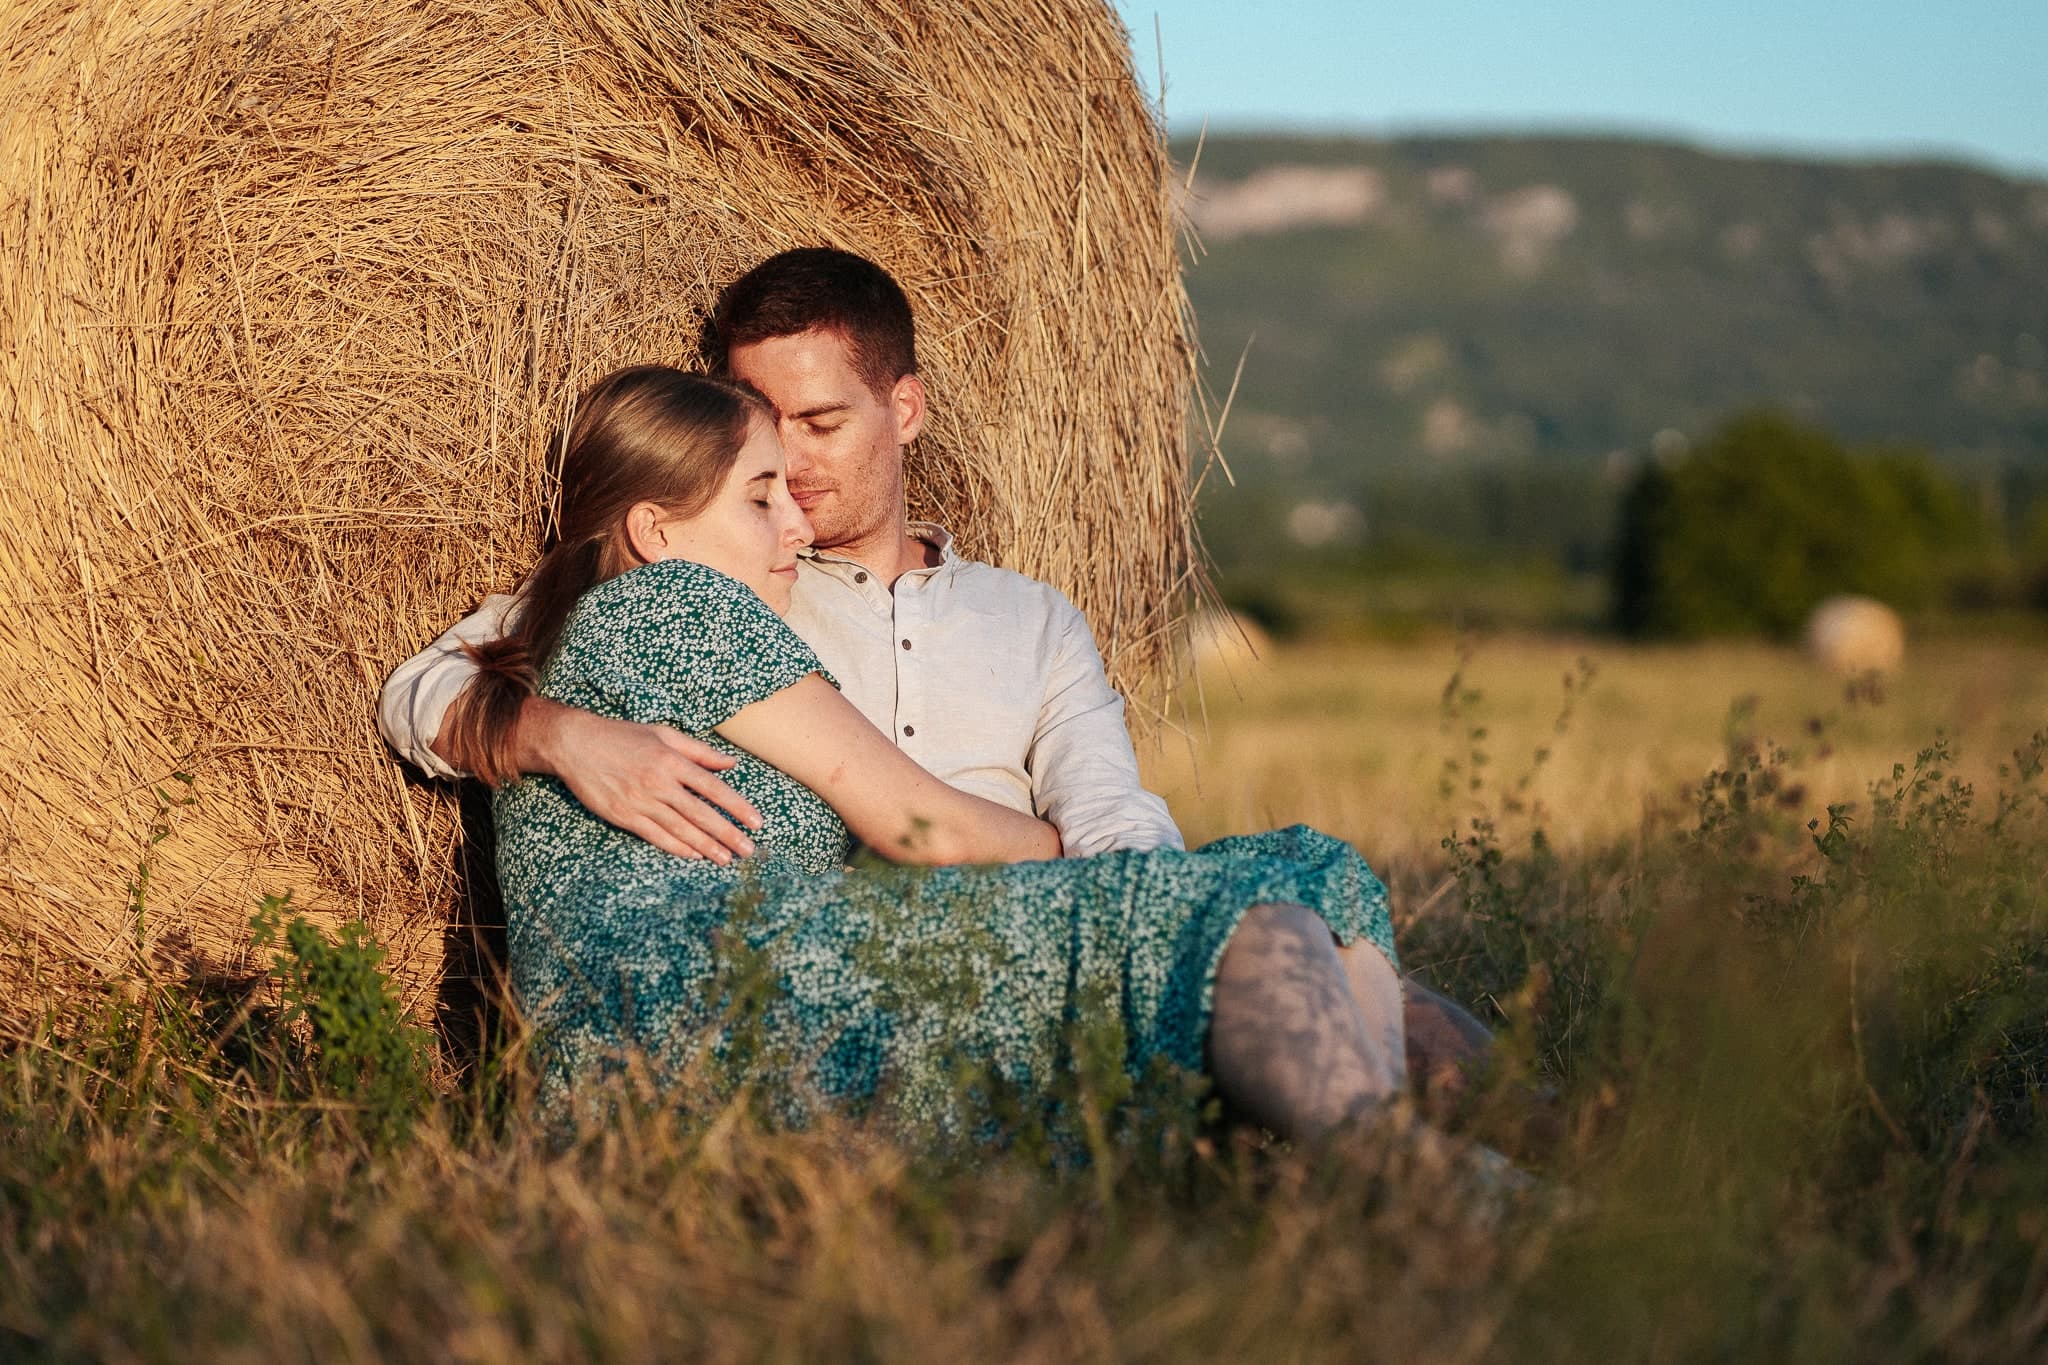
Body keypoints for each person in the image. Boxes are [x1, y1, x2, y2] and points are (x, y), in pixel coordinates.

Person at [379, 247, 1492, 1093]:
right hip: (836, 978)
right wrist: (553, 736)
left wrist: (1138, 915)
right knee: (1271, 920)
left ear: (902, 408)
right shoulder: (710, 574)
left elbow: (1109, 811)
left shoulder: (1032, 621)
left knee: (1290, 942)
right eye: (762, 446)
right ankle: (1438, 1185)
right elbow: (428, 685)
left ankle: (1515, 1144)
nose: (792, 474)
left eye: (818, 425)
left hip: (996, 940)